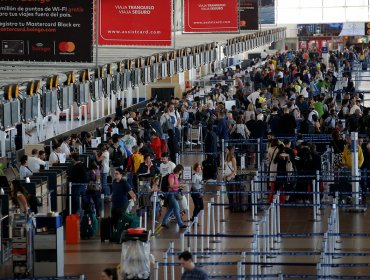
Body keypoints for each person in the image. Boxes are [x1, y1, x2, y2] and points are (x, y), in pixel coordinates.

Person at [161, 164, 187, 229]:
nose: (181, 172)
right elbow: (171, 185)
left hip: (175, 193)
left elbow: (175, 186)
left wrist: (180, 186)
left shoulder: (177, 176)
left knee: (170, 209)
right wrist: (180, 185)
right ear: (178, 169)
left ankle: (164, 222)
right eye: (181, 170)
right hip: (171, 194)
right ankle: (180, 224)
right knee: (177, 208)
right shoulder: (171, 175)